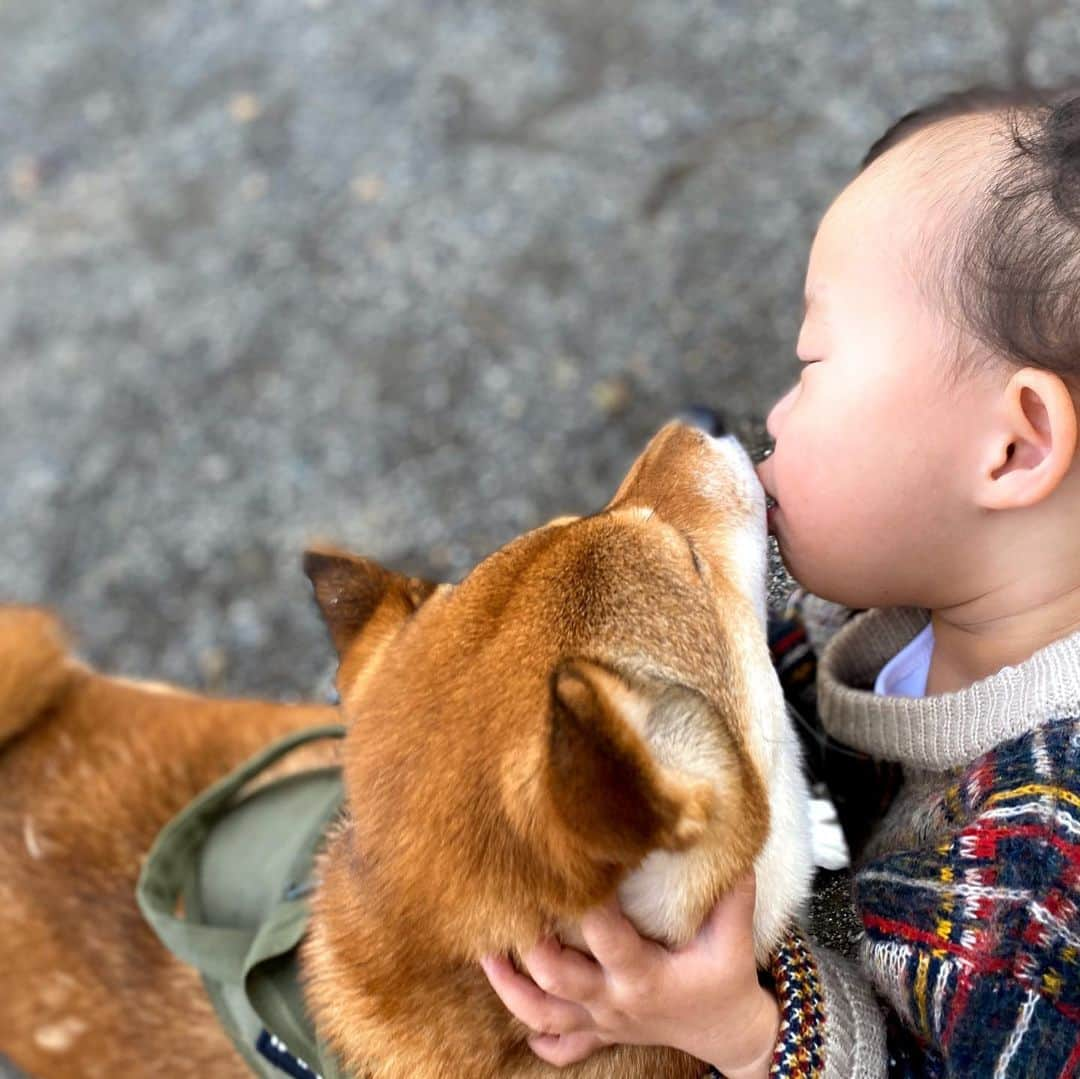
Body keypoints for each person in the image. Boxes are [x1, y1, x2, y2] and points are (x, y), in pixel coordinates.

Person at [480, 81, 1080, 1077]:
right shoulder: (934, 596)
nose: (777, 406)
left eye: (814, 362)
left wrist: (746, 1031)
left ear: (1014, 448)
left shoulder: (1039, 882)